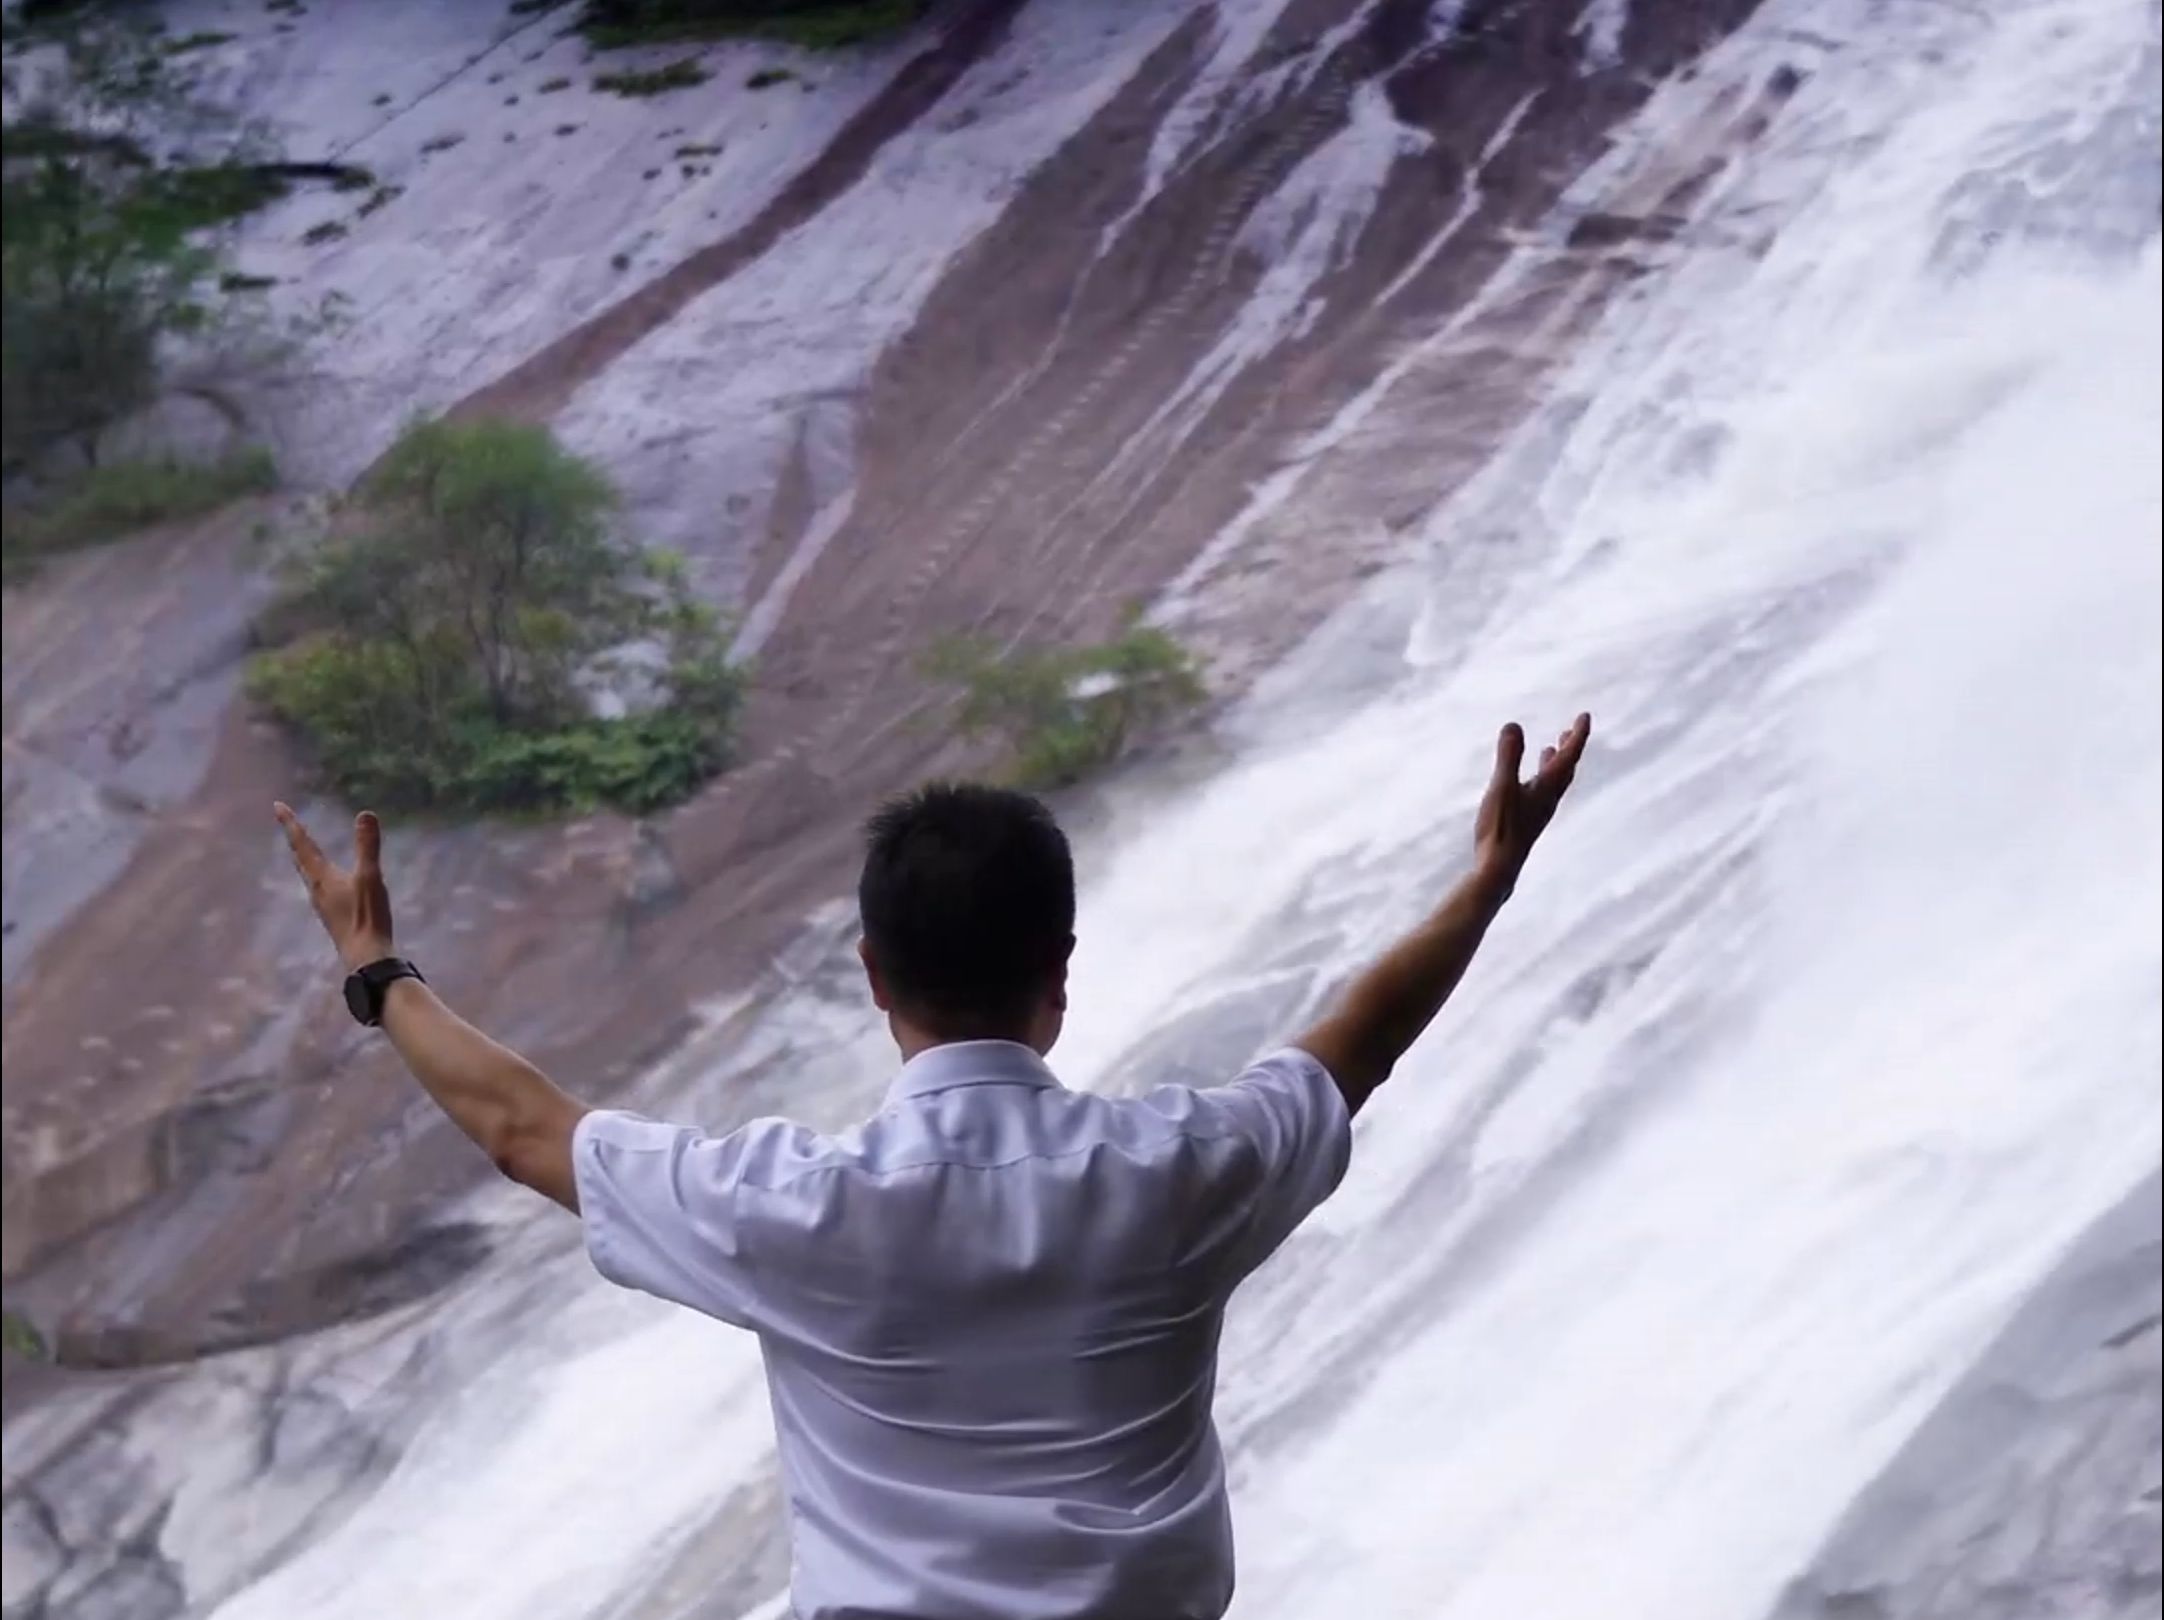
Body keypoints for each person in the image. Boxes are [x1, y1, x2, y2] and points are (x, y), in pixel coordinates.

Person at [274, 712, 1591, 1620]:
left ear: (871, 978)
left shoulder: (798, 1210)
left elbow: (525, 1130)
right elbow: (1357, 1041)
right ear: (1060, 972)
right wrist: (1492, 877)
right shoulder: (1186, 1175)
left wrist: (376, 972)